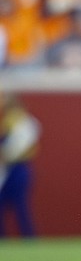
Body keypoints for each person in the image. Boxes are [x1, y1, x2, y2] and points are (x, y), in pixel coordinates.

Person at [0, 91, 40, 238]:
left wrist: (5, 154)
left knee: (20, 206)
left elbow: (16, 149)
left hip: (18, 168)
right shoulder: (7, 121)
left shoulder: (26, 123)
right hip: (6, 168)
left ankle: (28, 238)